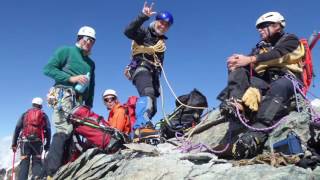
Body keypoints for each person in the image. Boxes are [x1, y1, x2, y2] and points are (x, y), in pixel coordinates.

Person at [216, 12, 305, 159]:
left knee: (279, 87)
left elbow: (278, 53)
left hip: (287, 79)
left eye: (264, 26)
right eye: (259, 27)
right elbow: (250, 67)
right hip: (265, 80)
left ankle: (257, 132)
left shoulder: (290, 39)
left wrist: (249, 59)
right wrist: (236, 65)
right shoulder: (260, 48)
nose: (260, 30)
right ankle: (236, 103)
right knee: (240, 69)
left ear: (277, 26)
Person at [43, 26, 96, 177]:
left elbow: (92, 85)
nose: (88, 42)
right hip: (63, 94)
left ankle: (64, 169)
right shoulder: (66, 51)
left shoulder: (91, 64)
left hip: (79, 100)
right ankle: (51, 173)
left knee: (72, 132)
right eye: (86, 39)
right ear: (79, 38)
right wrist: (70, 78)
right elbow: (48, 69)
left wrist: (89, 104)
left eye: (92, 41)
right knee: (63, 130)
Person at [124, 2, 173, 129]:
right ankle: (141, 127)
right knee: (147, 94)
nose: (163, 26)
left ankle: (140, 130)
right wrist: (143, 16)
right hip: (141, 68)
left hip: (153, 75)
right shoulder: (144, 33)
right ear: (156, 21)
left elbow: (159, 64)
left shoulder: (161, 44)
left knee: (153, 107)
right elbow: (128, 31)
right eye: (161, 22)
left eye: (166, 25)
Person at [11, 97, 51, 180]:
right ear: (41, 106)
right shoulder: (44, 115)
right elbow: (48, 130)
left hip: (25, 142)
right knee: (37, 162)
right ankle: (36, 177)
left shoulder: (25, 114)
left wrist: (14, 144)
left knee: (24, 164)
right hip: (38, 142)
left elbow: (17, 128)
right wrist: (47, 144)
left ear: (32, 104)